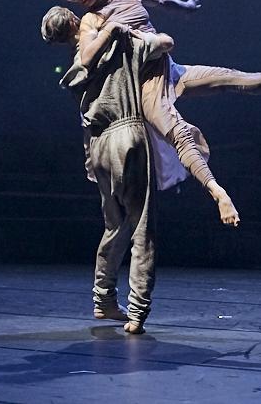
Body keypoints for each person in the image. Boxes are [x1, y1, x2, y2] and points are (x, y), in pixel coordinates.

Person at [50, 0, 261, 223]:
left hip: (171, 69)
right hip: (146, 86)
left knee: (230, 78)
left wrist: (185, 7)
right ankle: (217, 192)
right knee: (179, 133)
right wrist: (111, 29)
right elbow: (86, 58)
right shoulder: (91, 20)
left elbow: (162, 1)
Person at [58, 17, 175, 334]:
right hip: (126, 135)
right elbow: (166, 43)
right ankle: (137, 311)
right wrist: (130, 29)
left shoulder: (77, 68)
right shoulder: (120, 45)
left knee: (115, 225)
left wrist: (89, 160)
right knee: (142, 225)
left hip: (99, 146)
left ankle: (104, 299)